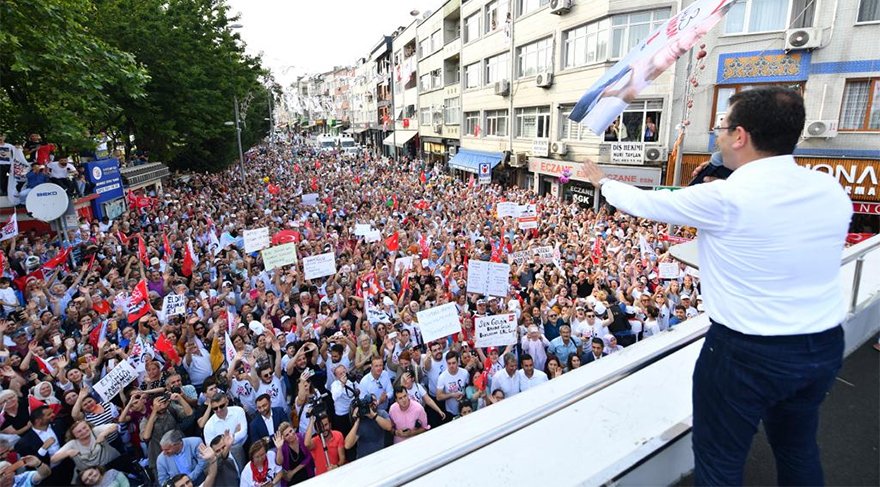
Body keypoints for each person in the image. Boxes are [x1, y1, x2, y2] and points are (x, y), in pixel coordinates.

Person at [583, 86, 851, 485]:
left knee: (720, 460)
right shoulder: (829, 188)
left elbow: (649, 204)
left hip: (747, 354)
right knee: (798, 450)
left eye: (722, 126)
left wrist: (602, 181)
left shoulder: (726, 197)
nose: (717, 134)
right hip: (821, 345)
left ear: (741, 136)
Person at [343, 394, 392, 459]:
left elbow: (389, 427)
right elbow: (347, 445)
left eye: (375, 400)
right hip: (364, 459)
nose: (373, 403)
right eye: (371, 402)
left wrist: (374, 416)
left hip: (380, 456)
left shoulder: (382, 413)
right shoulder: (361, 421)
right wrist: (357, 421)